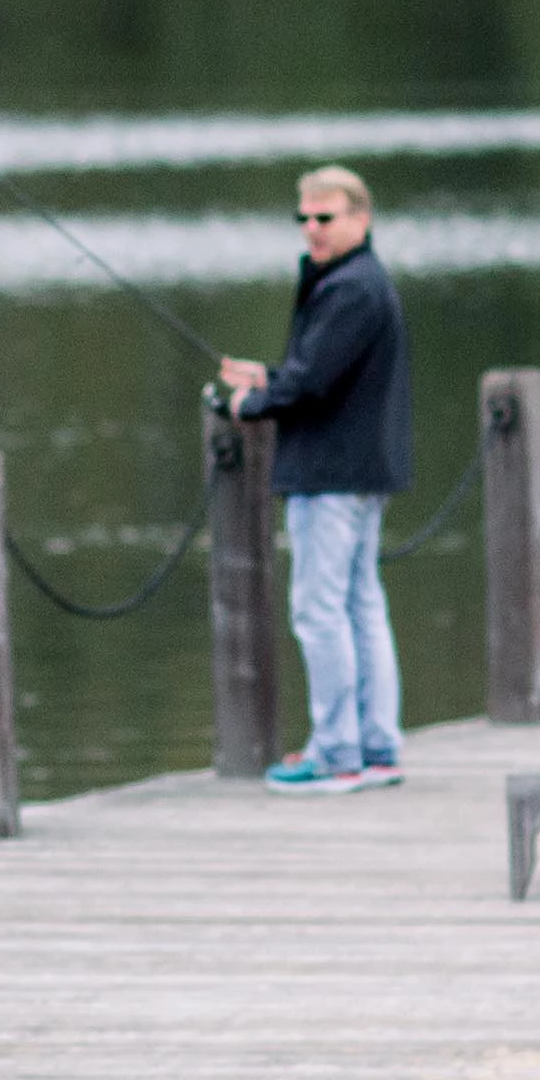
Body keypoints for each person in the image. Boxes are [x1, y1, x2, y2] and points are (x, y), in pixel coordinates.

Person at [216, 165, 412, 792]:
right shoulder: (358, 282)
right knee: (359, 605)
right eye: (303, 219)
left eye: (325, 218)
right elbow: (317, 373)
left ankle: (336, 755)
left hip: (330, 475)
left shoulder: (349, 288)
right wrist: (269, 378)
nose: (312, 230)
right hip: (358, 468)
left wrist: (250, 403)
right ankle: (376, 750)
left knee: (320, 611)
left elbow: (311, 384)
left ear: (362, 218)